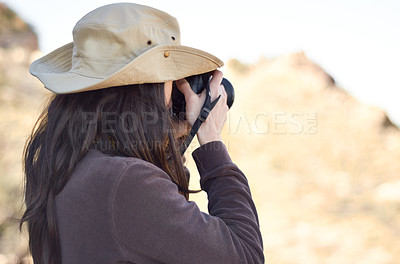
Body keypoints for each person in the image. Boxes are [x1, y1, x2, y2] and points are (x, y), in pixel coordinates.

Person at [20, 3, 264, 264]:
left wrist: (176, 135)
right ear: (146, 90)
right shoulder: (125, 182)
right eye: (170, 80)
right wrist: (211, 140)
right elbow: (246, 255)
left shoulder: (61, 168)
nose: (173, 96)